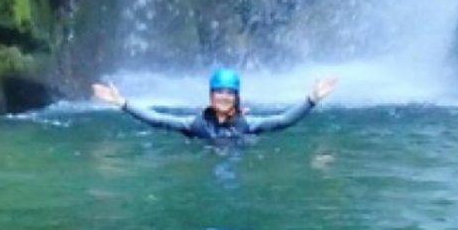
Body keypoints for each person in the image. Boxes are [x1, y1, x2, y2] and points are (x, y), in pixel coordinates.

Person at [91, 68, 338, 141]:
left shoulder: (246, 124)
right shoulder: (196, 124)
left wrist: (311, 100)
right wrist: (122, 102)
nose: (223, 97)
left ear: (236, 98)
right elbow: (158, 119)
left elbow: (282, 121)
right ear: (211, 96)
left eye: (229, 93)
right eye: (219, 92)